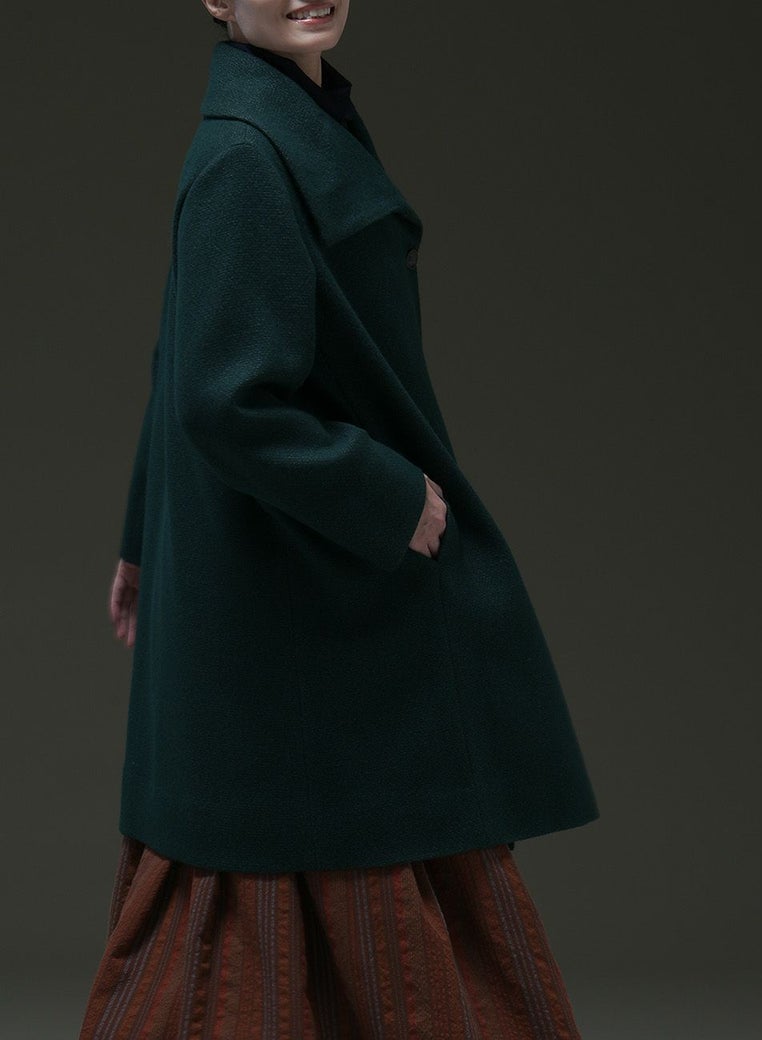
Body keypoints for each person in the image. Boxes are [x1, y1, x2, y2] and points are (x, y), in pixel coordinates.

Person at [78, 1, 600, 1036]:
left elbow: (180, 349)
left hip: (292, 562)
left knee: (320, 854)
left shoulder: (293, 118)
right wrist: (387, 495)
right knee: (314, 865)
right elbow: (216, 395)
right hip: (300, 571)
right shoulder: (246, 153)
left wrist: (143, 532)